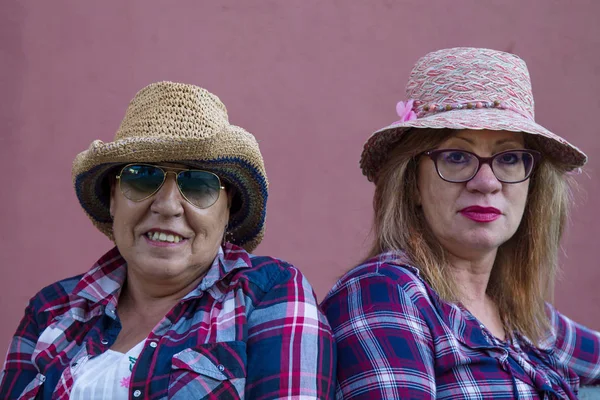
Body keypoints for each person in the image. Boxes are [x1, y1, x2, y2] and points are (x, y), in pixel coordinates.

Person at [0, 82, 335, 399]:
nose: (167, 206)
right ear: (113, 196)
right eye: (142, 178)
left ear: (227, 206)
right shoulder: (51, 309)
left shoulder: (267, 293)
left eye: (199, 184)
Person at [321, 47, 600, 399]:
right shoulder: (383, 294)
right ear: (412, 184)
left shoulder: (526, 318)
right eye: (456, 157)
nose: (486, 183)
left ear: (534, 186)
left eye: (510, 158)